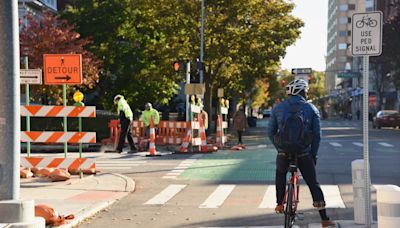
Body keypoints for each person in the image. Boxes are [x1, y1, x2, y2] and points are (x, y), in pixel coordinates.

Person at [267, 79, 336, 227]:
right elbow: (317, 136)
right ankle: (324, 219)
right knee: (313, 183)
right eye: (306, 90)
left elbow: (270, 132)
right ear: (302, 91)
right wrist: (313, 154)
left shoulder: (278, 108)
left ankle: (279, 204)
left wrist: (279, 147)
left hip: (283, 152)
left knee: (280, 174)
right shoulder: (311, 109)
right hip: (304, 153)